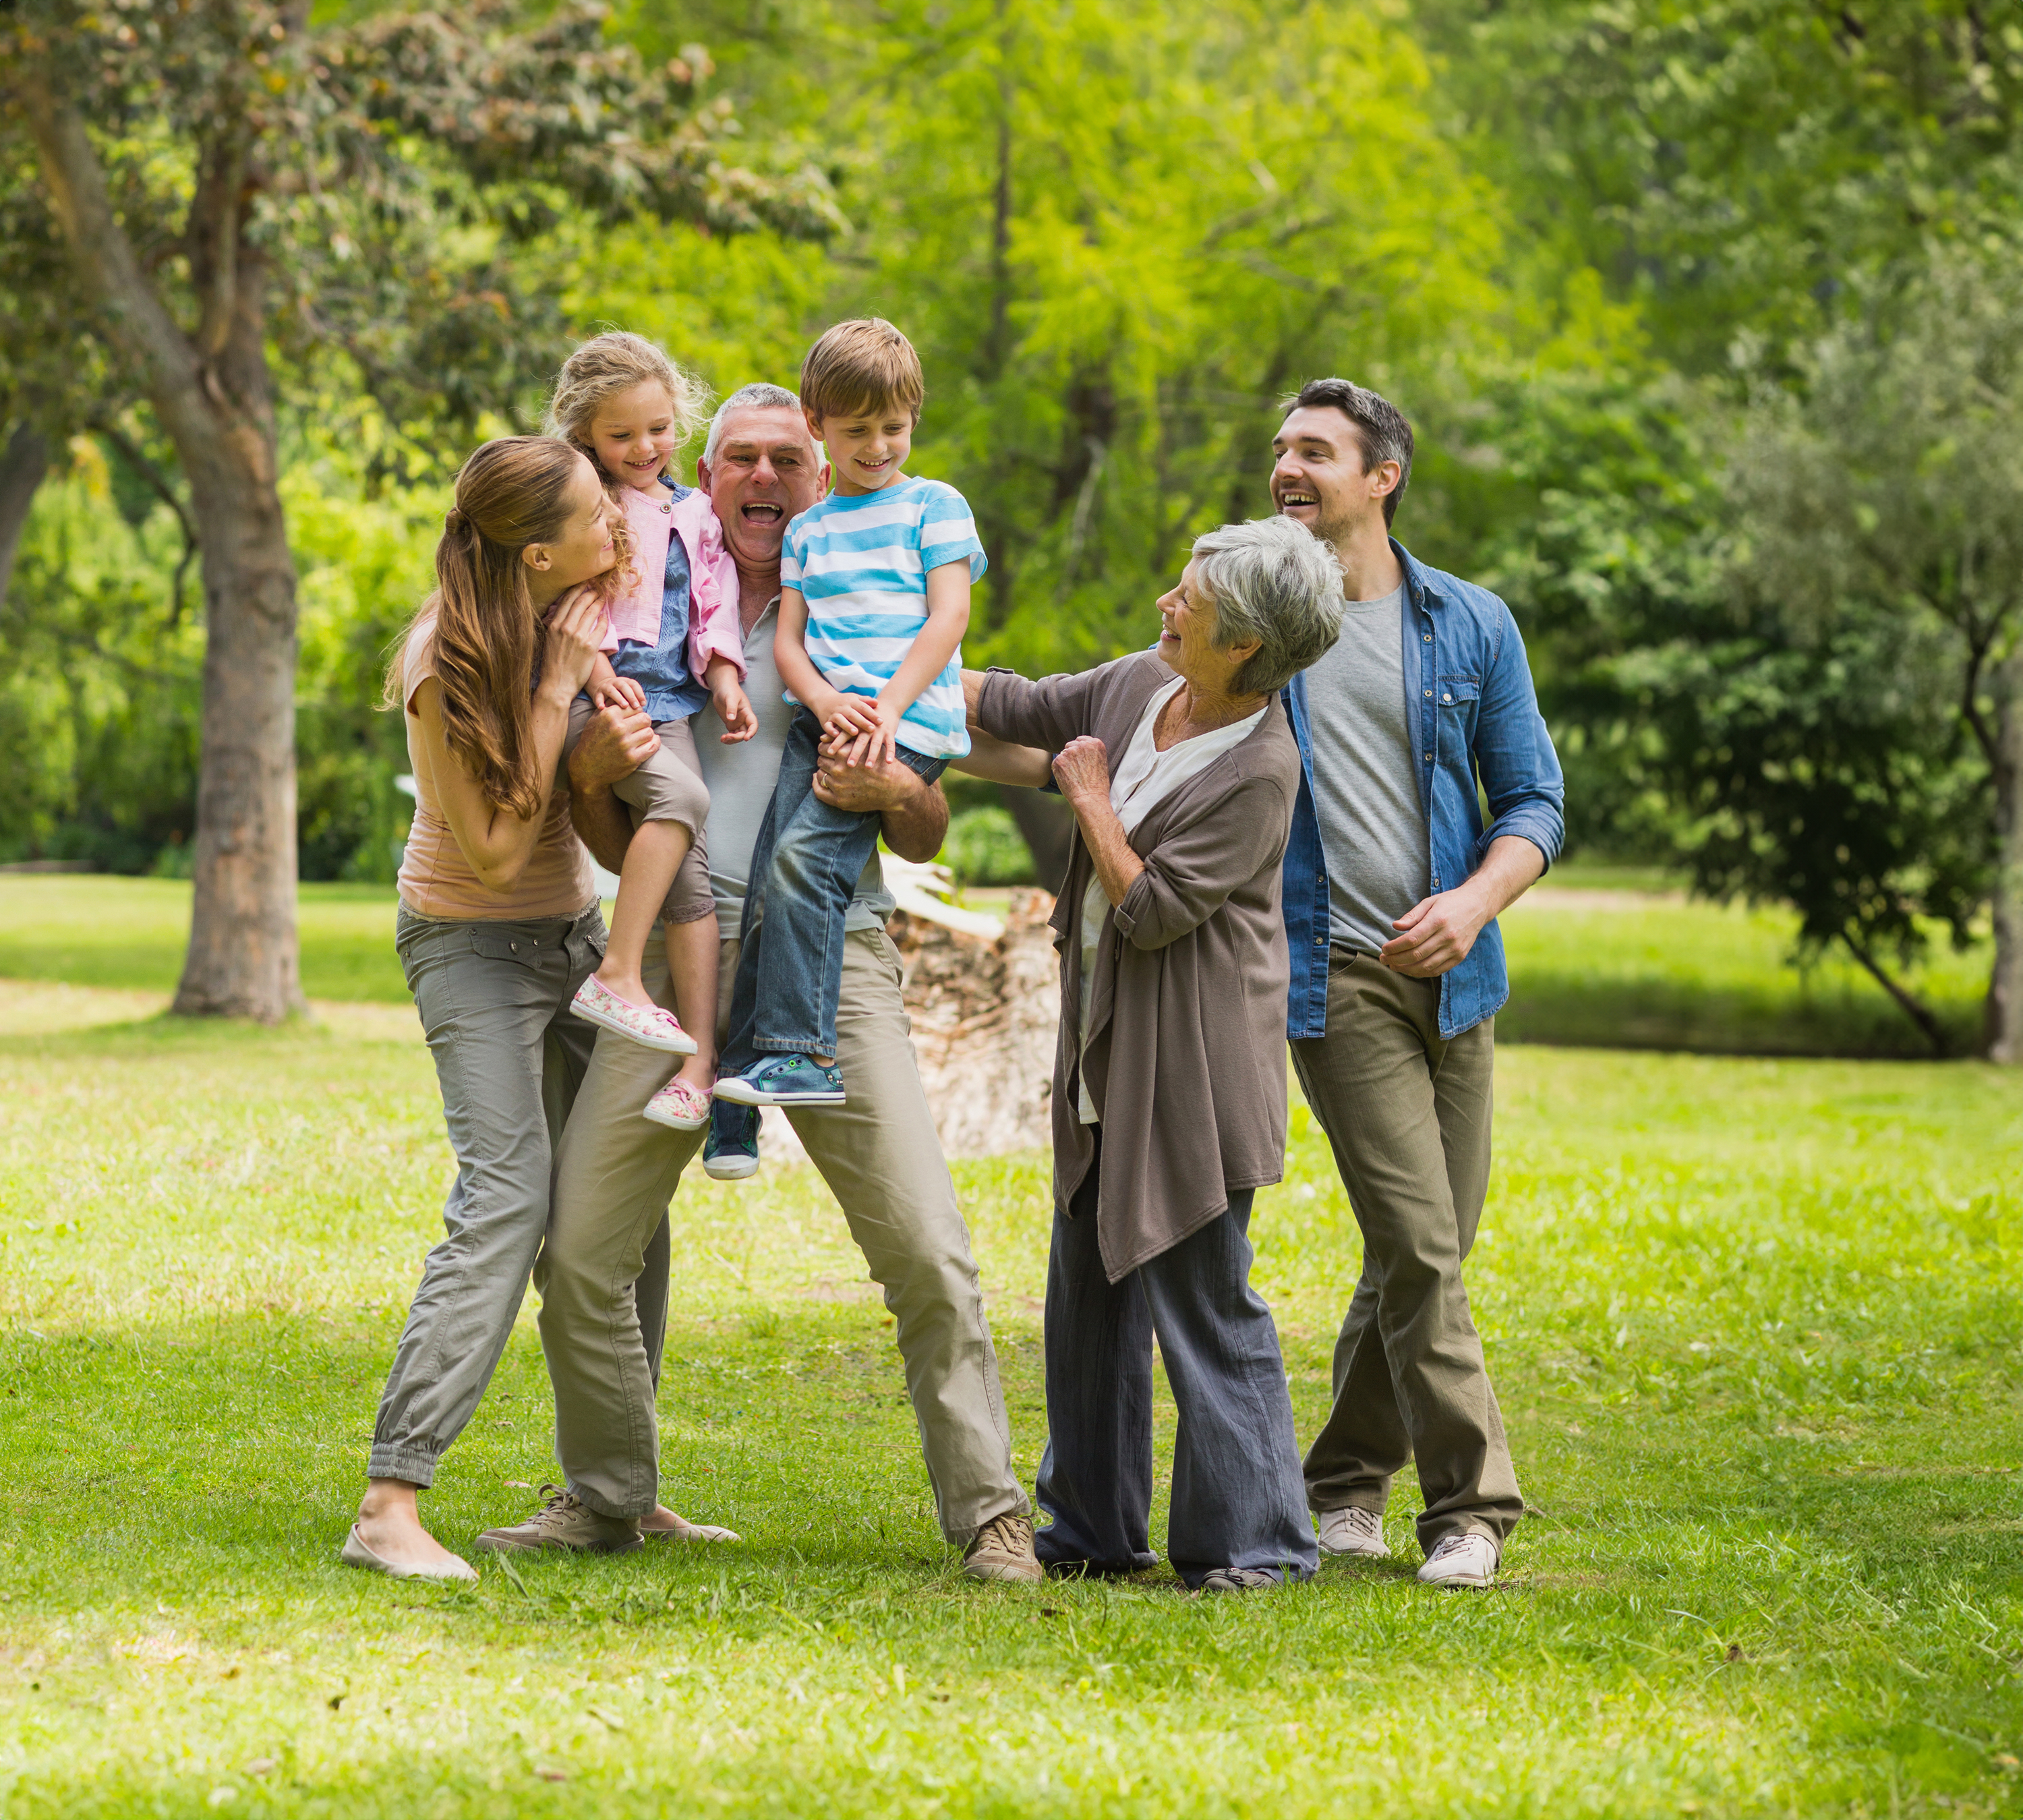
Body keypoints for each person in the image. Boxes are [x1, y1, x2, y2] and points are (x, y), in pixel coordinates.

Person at [475, 383, 1040, 1583]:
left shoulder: (866, 609)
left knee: (927, 1248)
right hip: (677, 955)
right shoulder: (642, 604)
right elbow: (603, 825)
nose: (766, 477)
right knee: (583, 1251)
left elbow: (926, 824)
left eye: (789, 457)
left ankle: (992, 1515)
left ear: (822, 473)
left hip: (834, 956)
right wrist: (590, 766)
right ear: (706, 474)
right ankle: (608, 1494)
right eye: (742, 456)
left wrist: (895, 789)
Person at [964, 517, 1342, 1593]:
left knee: (1204, 1297)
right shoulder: (1142, 683)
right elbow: (1018, 704)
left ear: (1246, 645)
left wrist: (1089, 799)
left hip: (1195, 1065)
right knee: (1086, 1286)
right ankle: (1090, 1526)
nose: (1167, 606)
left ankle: (1262, 1543)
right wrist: (883, 661)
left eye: (1192, 601)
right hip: (1103, 1041)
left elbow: (1158, 910)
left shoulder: (1261, 767)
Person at [1270, 377, 1565, 1589]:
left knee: (1419, 1248)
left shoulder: (1471, 621)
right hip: (1335, 974)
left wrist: (1473, 902)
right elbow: (1140, 702)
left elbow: (1534, 802)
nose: (1288, 467)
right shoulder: (1259, 613)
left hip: (1459, 981)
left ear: (1381, 477)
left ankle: (1341, 1485)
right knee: (1421, 1246)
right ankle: (1471, 1508)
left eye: (1315, 451)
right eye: (1282, 448)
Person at [340, 436, 624, 1584]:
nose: (616, 526)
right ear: (536, 552)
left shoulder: (569, 606)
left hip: (576, 939)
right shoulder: (442, 659)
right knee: (508, 1191)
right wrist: (559, 692)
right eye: (595, 514)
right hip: (471, 945)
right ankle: (389, 1501)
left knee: (616, 1199)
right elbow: (498, 853)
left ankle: (616, 1489)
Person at [713, 320, 981, 1117]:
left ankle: (804, 1055)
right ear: (817, 424)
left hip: (902, 728)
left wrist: (887, 710)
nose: (878, 446)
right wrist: (827, 702)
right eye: (857, 430)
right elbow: (790, 643)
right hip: (827, 721)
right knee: (770, 873)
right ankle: (739, 1092)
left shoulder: (934, 506)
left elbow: (949, 617)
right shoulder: (810, 530)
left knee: (805, 861)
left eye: (894, 427)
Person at [546, 332, 757, 1132]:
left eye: (659, 428)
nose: (645, 447)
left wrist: (726, 675)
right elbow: (564, 598)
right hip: (594, 692)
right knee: (685, 798)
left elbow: (715, 600)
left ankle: (698, 1067)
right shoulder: (578, 503)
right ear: (584, 434)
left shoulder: (693, 509)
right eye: (621, 434)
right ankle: (619, 971)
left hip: (669, 704)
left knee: (692, 884)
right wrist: (595, 669)